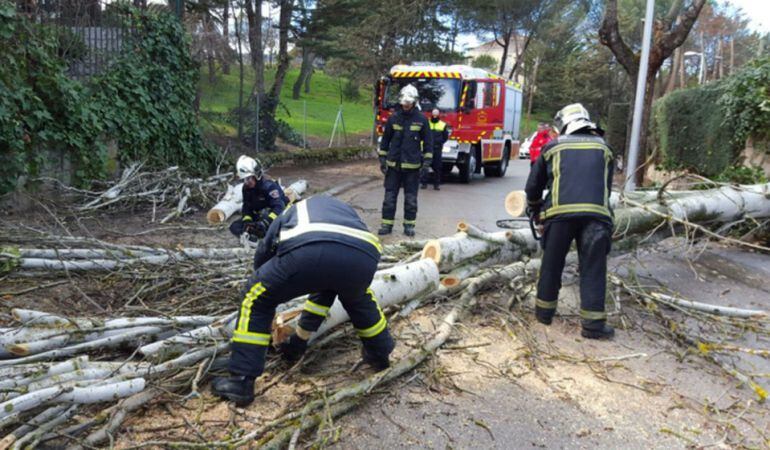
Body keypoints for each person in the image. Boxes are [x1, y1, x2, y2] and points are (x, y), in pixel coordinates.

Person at [211, 196, 395, 406]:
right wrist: (299, 340)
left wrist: (264, 279)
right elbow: (324, 291)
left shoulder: (293, 209)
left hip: (310, 250)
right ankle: (380, 353)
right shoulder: (343, 210)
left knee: (255, 297)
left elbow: (265, 249)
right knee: (357, 298)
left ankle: (241, 380)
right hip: (364, 256)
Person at [524, 103, 615, 340]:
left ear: (565, 123)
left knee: (551, 265)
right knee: (593, 269)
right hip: (596, 217)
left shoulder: (553, 146)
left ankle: (544, 314)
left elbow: (533, 186)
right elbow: (606, 188)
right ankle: (593, 326)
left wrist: (535, 208)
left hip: (559, 217)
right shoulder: (604, 148)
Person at [377, 84, 433, 237]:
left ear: (414, 102)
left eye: (408, 103)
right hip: (393, 166)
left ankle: (409, 226)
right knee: (389, 198)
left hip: (412, 168)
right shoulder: (393, 118)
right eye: (404, 103)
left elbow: (428, 144)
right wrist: (382, 159)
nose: (406, 105)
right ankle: (386, 225)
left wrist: (426, 164)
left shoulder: (421, 120)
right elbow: (385, 140)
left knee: (410, 199)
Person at [229, 155, 290, 241]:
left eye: (248, 179)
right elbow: (246, 207)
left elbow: (279, 207)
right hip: (260, 216)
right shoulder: (246, 189)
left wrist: (266, 222)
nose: (246, 182)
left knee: (265, 216)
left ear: (255, 176)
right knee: (234, 226)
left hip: (277, 215)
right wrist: (247, 221)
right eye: (244, 180)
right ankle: (251, 236)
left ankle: (267, 236)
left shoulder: (269, 186)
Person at [421, 108, 448, 190]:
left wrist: (439, 143)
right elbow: (422, 134)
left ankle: (436, 184)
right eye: (434, 114)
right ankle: (424, 183)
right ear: (431, 115)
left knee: (437, 167)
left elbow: (445, 137)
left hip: (437, 148)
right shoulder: (427, 124)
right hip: (427, 148)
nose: (435, 116)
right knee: (425, 166)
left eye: (436, 115)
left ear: (438, 115)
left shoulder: (442, 124)